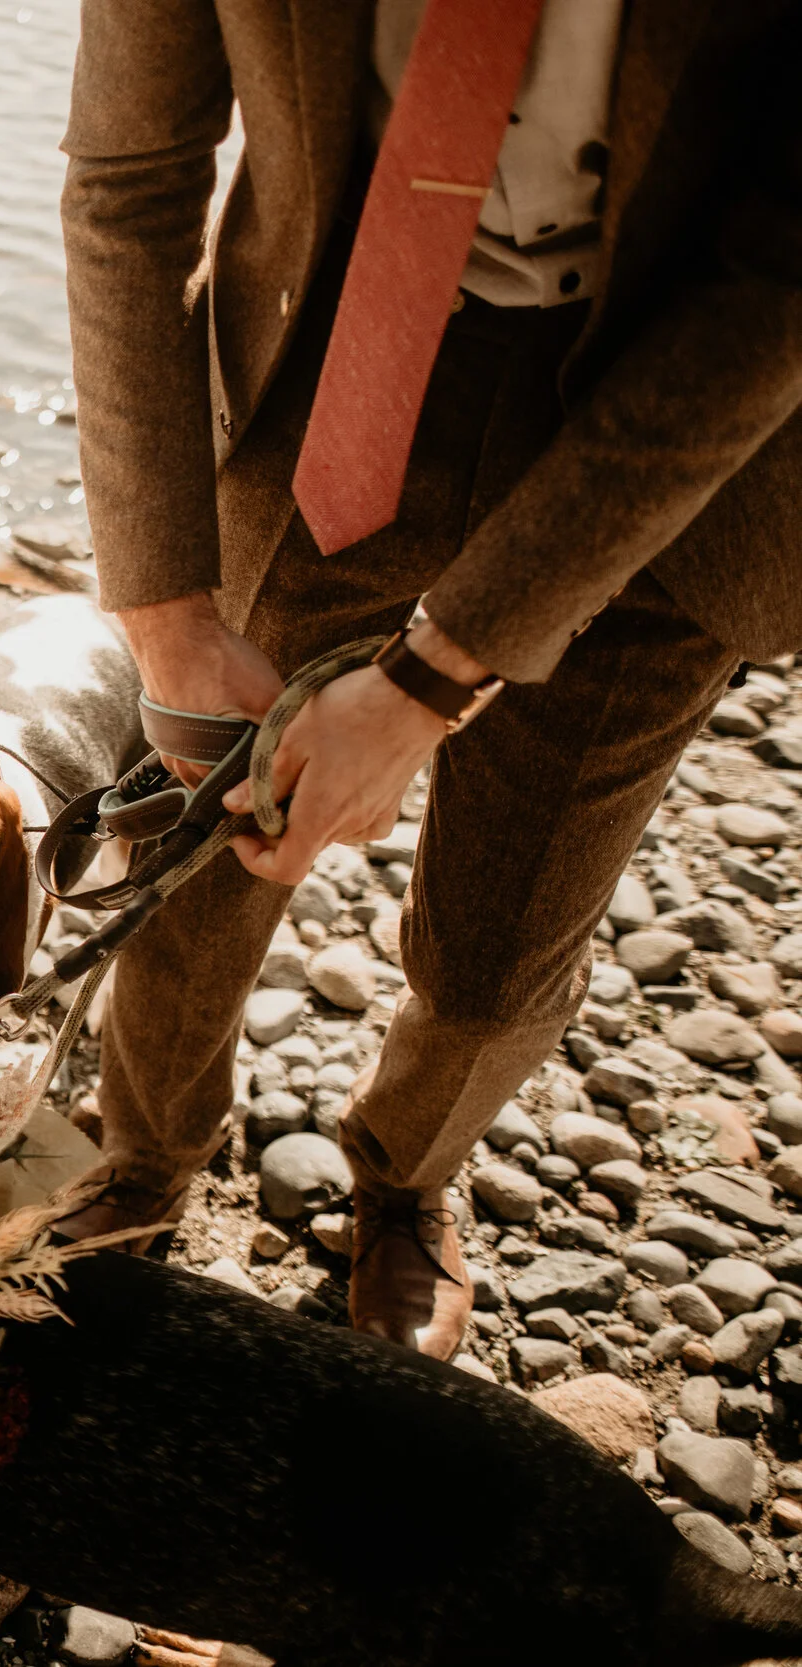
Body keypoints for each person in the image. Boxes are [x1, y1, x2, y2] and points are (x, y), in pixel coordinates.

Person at [54, 0, 802, 1357]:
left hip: (675, 428)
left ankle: (405, 1175)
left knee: (506, 941)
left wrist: (431, 678)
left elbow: (781, 281)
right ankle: (145, 1153)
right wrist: (163, 605)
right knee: (197, 843)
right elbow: (129, 178)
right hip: (329, 356)